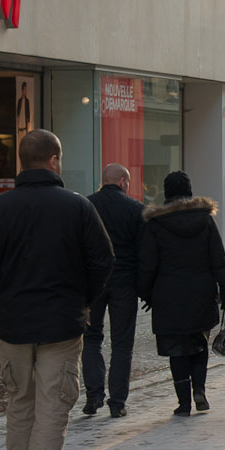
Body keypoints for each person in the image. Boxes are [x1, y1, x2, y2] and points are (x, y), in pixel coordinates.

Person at [0, 130, 114, 450]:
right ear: (53, 161)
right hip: (61, 325)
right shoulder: (76, 207)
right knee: (53, 406)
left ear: (22, 161)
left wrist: (1, 299)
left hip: (12, 324)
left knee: (20, 403)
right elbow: (103, 261)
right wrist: (82, 299)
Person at [139, 172, 225, 417]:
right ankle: (200, 390)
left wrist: (147, 294)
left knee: (176, 349)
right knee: (199, 343)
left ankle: (183, 402)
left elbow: (147, 264)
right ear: (190, 191)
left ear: (166, 192)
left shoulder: (156, 224)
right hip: (201, 293)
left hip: (167, 296)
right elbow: (219, 259)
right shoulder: (204, 220)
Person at [82, 163, 144, 418]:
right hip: (124, 282)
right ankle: (117, 402)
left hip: (92, 283)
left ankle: (94, 395)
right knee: (122, 343)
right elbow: (143, 252)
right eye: (127, 182)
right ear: (121, 181)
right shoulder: (136, 209)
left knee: (91, 338)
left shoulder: (86, 206)